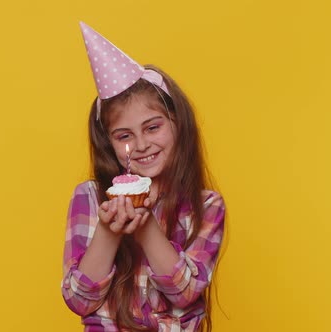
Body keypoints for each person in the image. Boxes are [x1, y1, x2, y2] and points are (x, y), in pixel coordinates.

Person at [62, 22, 226, 332]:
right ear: (108, 143)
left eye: (153, 127)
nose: (141, 145)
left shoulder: (206, 206)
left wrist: (146, 225)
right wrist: (109, 232)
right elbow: (79, 301)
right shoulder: (89, 197)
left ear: (178, 123)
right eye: (124, 135)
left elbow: (186, 293)